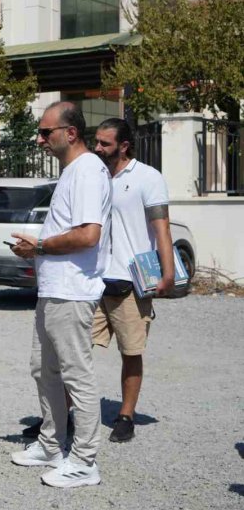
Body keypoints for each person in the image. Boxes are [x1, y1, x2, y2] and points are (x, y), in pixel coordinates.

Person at [9, 102, 111, 488]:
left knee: (76, 375)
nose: (39, 139)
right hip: (54, 289)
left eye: (45, 132)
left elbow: (88, 234)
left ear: (70, 133)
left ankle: (84, 461)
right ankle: (52, 445)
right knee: (44, 369)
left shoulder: (87, 171)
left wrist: (39, 247)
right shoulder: (74, 171)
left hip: (72, 291)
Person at [93, 117, 174, 443]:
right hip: (94, 279)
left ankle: (125, 416)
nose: (98, 148)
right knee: (74, 351)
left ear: (124, 145)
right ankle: (62, 416)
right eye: (96, 142)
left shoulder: (148, 177)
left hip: (132, 280)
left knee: (131, 350)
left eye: (105, 144)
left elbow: (161, 228)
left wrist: (167, 274)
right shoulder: (96, 176)